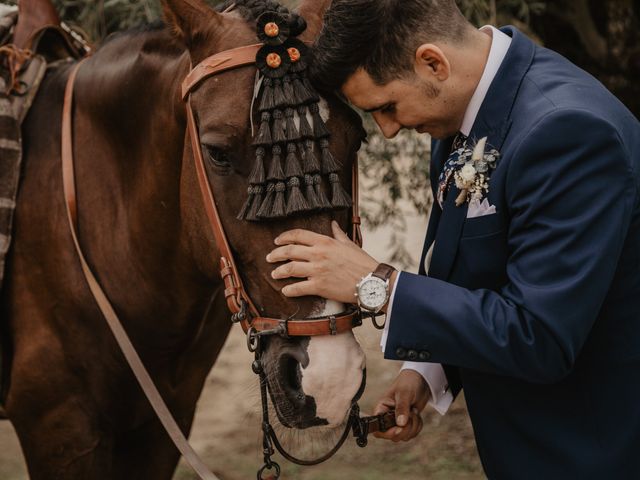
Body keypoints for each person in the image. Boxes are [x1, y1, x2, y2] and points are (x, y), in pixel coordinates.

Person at [265, 0, 640, 477]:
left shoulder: (567, 132)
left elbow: (539, 336)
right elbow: (480, 274)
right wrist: (428, 372)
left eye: (386, 106)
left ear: (432, 62)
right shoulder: (462, 110)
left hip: (591, 452)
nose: (389, 129)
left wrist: (375, 284)